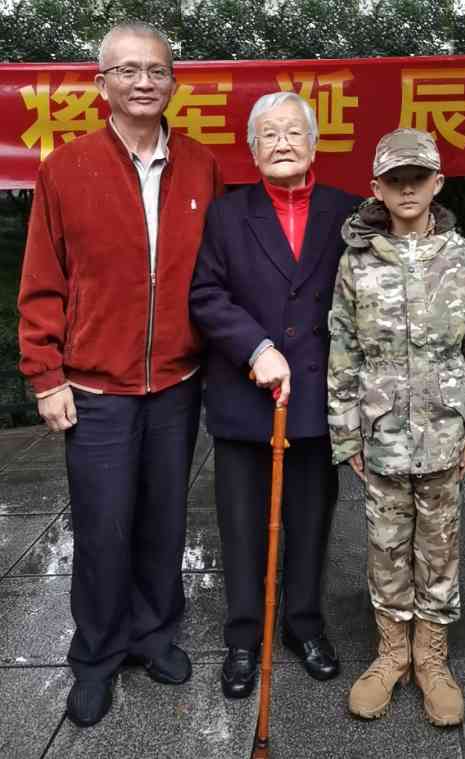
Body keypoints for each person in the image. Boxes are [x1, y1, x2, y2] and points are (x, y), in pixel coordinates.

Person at [18, 22, 223, 727]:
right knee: (103, 527)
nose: (144, 82)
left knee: (165, 521)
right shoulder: (65, 167)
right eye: (128, 70)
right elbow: (43, 279)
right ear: (100, 82)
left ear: (174, 83)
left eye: (157, 70)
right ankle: (97, 655)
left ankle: (153, 635)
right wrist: (46, 375)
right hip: (95, 386)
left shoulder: (201, 166)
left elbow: (222, 270)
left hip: (176, 381)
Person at [327, 128, 465, 726]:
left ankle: (431, 658)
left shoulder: (463, 257)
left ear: (438, 183)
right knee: (385, 545)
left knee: (439, 544)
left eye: (418, 177)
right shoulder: (356, 261)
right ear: (376, 187)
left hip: (445, 430)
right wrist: (345, 432)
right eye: (394, 179)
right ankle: (391, 654)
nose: (407, 189)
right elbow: (344, 349)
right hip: (381, 433)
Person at [190, 92, 363, 699]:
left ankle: (304, 625)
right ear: (252, 149)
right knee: (241, 525)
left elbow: (402, 264)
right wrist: (256, 347)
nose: (282, 142)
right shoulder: (226, 215)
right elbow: (206, 295)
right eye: (269, 134)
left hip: (318, 398)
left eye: (293, 132)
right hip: (245, 396)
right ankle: (243, 636)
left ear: (314, 143)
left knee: (310, 521)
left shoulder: (350, 213)